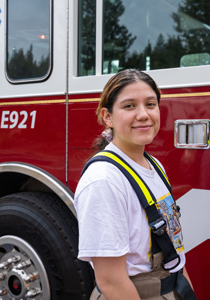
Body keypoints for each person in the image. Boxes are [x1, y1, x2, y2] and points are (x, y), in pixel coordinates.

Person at [74, 69, 196, 300]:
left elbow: (174, 248)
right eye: (129, 106)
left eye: (150, 104)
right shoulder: (104, 180)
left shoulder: (154, 166)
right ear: (107, 116)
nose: (143, 114)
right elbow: (111, 281)